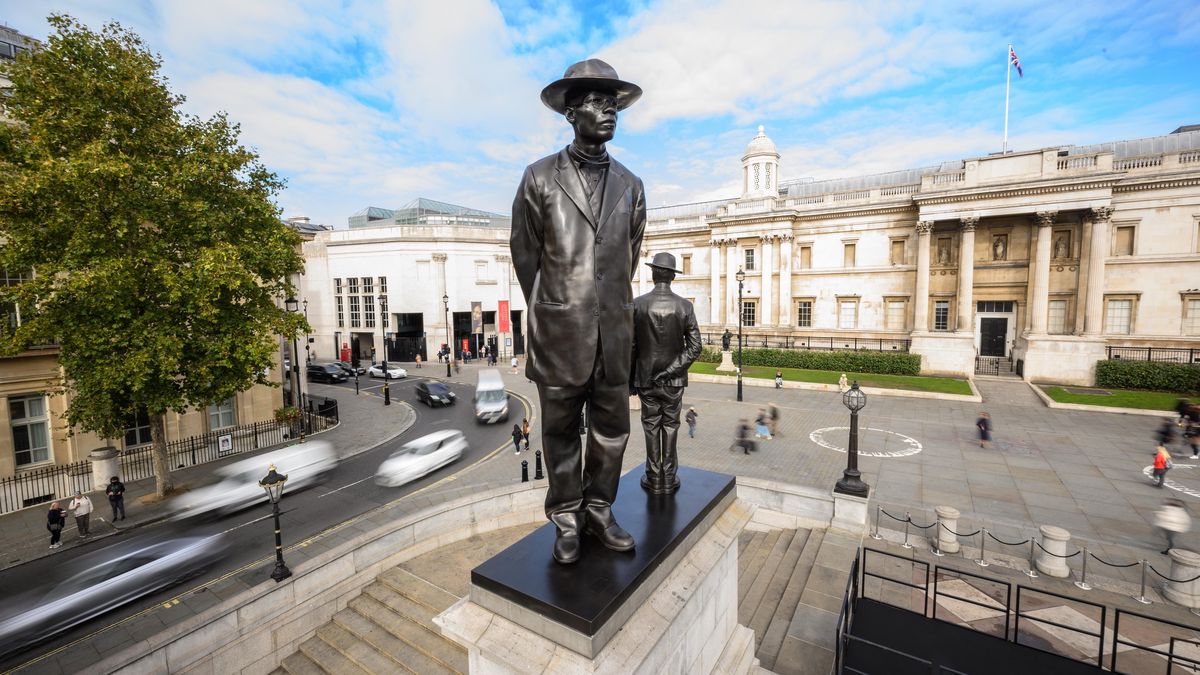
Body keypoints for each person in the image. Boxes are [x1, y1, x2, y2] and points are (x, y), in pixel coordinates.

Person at [510, 59, 645, 564]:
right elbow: (526, 255)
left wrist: (604, 307)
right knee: (560, 432)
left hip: (614, 334)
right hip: (559, 332)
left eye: (613, 104)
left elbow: (627, 258)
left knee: (612, 432)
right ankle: (566, 516)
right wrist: (555, 306)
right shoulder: (539, 177)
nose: (607, 111)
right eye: (595, 102)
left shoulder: (631, 184)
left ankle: (600, 511)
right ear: (571, 112)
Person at [630, 252, 702, 494]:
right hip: (674, 381)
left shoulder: (637, 304)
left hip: (646, 379)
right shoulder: (685, 306)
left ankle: (653, 476)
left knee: (651, 426)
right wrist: (671, 371)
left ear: (653, 274)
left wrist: (632, 380)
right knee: (671, 425)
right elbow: (695, 347)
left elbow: (630, 346)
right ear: (672, 276)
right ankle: (668, 477)